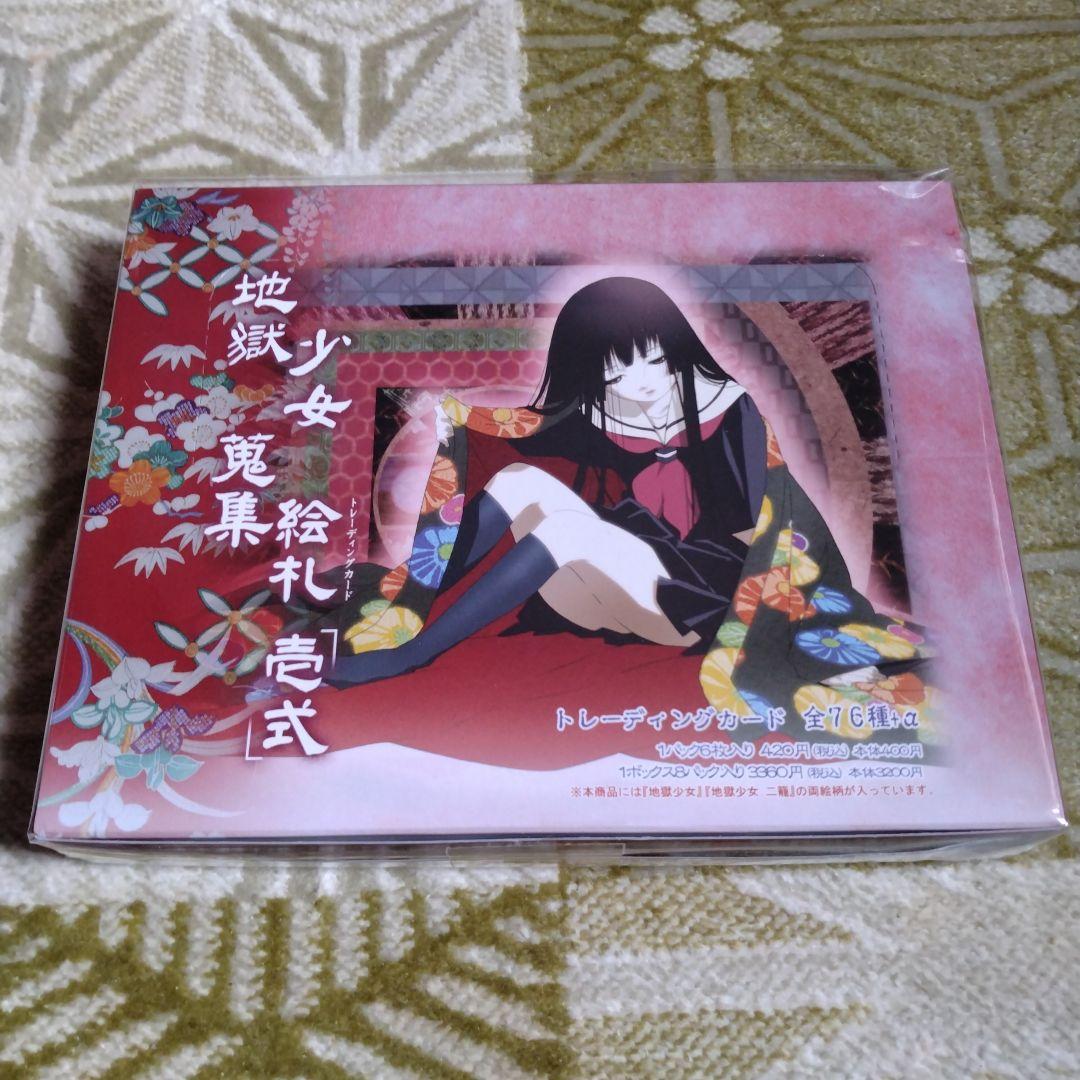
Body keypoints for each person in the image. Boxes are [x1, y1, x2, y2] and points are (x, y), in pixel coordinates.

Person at [327, 276, 771, 686]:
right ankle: (406, 596)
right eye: (617, 375)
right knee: (517, 480)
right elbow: (530, 431)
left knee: (566, 528)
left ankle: (414, 654)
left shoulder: (732, 407)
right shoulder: (613, 410)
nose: (642, 384)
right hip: (630, 570)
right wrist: (457, 413)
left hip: (703, 597)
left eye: (656, 360)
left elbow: (766, 525)